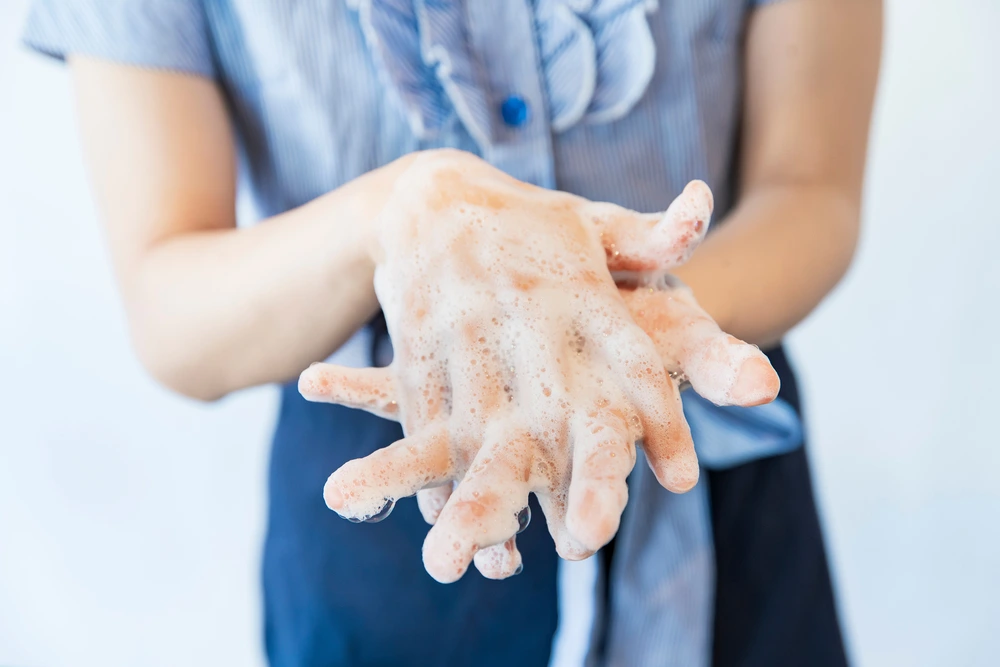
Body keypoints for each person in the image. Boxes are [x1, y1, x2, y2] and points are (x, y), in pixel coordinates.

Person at [22, 0, 881, 665]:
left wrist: (611, 324)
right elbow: (169, 306)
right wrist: (393, 210)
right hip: (385, 502)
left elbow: (810, 190)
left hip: (706, 422)